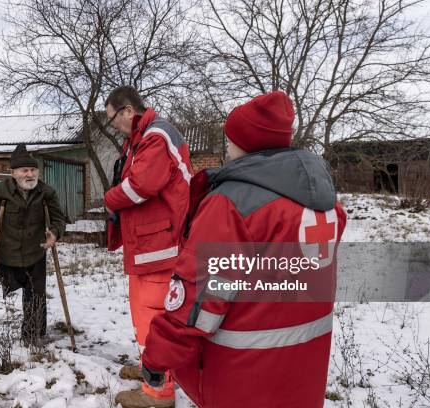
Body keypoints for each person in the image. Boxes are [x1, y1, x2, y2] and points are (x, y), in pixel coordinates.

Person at [141, 91, 348, 407]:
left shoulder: (233, 204)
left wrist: (157, 356)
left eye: (229, 141)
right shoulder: (326, 205)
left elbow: (208, 290)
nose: (226, 148)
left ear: (245, 143)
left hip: (243, 378)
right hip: (305, 373)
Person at [103, 86, 193, 408]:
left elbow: (140, 185)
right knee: (146, 315)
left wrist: (108, 199)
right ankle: (151, 369)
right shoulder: (141, 139)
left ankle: (157, 392)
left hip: (160, 246)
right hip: (151, 243)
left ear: (127, 110)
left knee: (151, 317)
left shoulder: (155, 136)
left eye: (113, 118)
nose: (113, 125)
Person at [0, 144, 66, 347]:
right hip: (8, 253)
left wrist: (55, 233)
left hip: (36, 251)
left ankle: (32, 335)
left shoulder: (46, 192)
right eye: (24, 170)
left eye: (33, 170)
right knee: (16, 287)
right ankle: (29, 332)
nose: (30, 174)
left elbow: (59, 219)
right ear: (13, 173)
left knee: (36, 293)